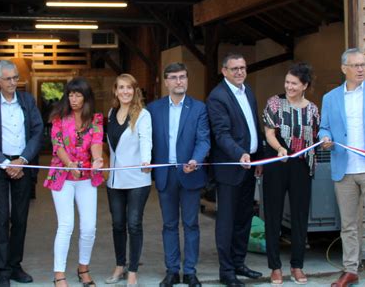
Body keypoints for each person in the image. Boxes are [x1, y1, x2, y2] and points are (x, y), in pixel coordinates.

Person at [0, 60, 43, 287]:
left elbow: (37, 131)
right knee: (1, 220)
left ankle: (15, 266)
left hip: (22, 166)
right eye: (9, 78)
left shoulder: (27, 101)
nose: (14, 82)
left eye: (16, 78)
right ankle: (3, 270)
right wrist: (6, 163)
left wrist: (22, 160)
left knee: (20, 219)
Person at [147, 62, 210, 287]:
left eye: (182, 77)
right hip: (166, 174)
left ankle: (190, 271)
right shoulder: (154, 109)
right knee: (169, 225)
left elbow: (204, 139)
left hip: (190, 173)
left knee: (191, 224)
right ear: (166, 82)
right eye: (173, 77)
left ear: (187, 79)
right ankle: (172, 270)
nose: (178, 81)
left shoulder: (198, 108)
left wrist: (196, 159)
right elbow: (147, 140)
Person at [206, 53, 263, 287]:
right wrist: (240, 153)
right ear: (224, 71)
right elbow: (221, 134)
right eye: (234, 68)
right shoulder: (217, 97)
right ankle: (226, 270)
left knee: (244, 218)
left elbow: (254, 127)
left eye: (243, 67)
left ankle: (239, 262)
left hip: (249, 167)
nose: (239, 72)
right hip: (231, 167)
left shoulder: (247, 91)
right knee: (227, 221)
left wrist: (258, 158)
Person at [43, 77, 104, 287]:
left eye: (78, 95)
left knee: (89, 227)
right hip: (62, 176)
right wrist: (70, 164)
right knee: (66, 225)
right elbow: (57, 145)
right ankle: (59, 275)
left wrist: (97, 160)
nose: (74, 99)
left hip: (87, 176)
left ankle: (83, 269)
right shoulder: (58, 117)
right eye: (70, 94)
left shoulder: (95, 119)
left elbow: (96, 142)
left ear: (86, 97)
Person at [262, 63, 320, 285]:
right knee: (273, 215)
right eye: (287, 82)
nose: (289, 86)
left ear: (304, 85)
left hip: (301, 165)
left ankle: (297, 266)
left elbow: (316, 137)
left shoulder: (313, 109)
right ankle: (275, 267)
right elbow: (269, 133)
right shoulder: (275, 103)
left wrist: (325, 142)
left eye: (294, 83)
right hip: (278, 162)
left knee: (299, 217)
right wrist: (279, 148)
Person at [319, 48, 365, 287]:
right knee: (348, 225)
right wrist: (325, 138)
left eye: (364, 64)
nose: (361, 69)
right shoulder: (330, 98)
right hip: (344, 169)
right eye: (356, 65)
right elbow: (324, 128)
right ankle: (350, 270)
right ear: (344, 69)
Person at [105, 74, 152, 287]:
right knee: (117, 224)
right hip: (114, 181)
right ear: (115, 90)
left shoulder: (143, 115)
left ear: (135, 90)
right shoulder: (110, 113)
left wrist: (146, 160)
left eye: (129, 88)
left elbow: (146, 140)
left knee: (133, 224)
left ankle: (132, 270)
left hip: (137, 179)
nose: (125, 91)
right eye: (121, 87)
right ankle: (119, 265)